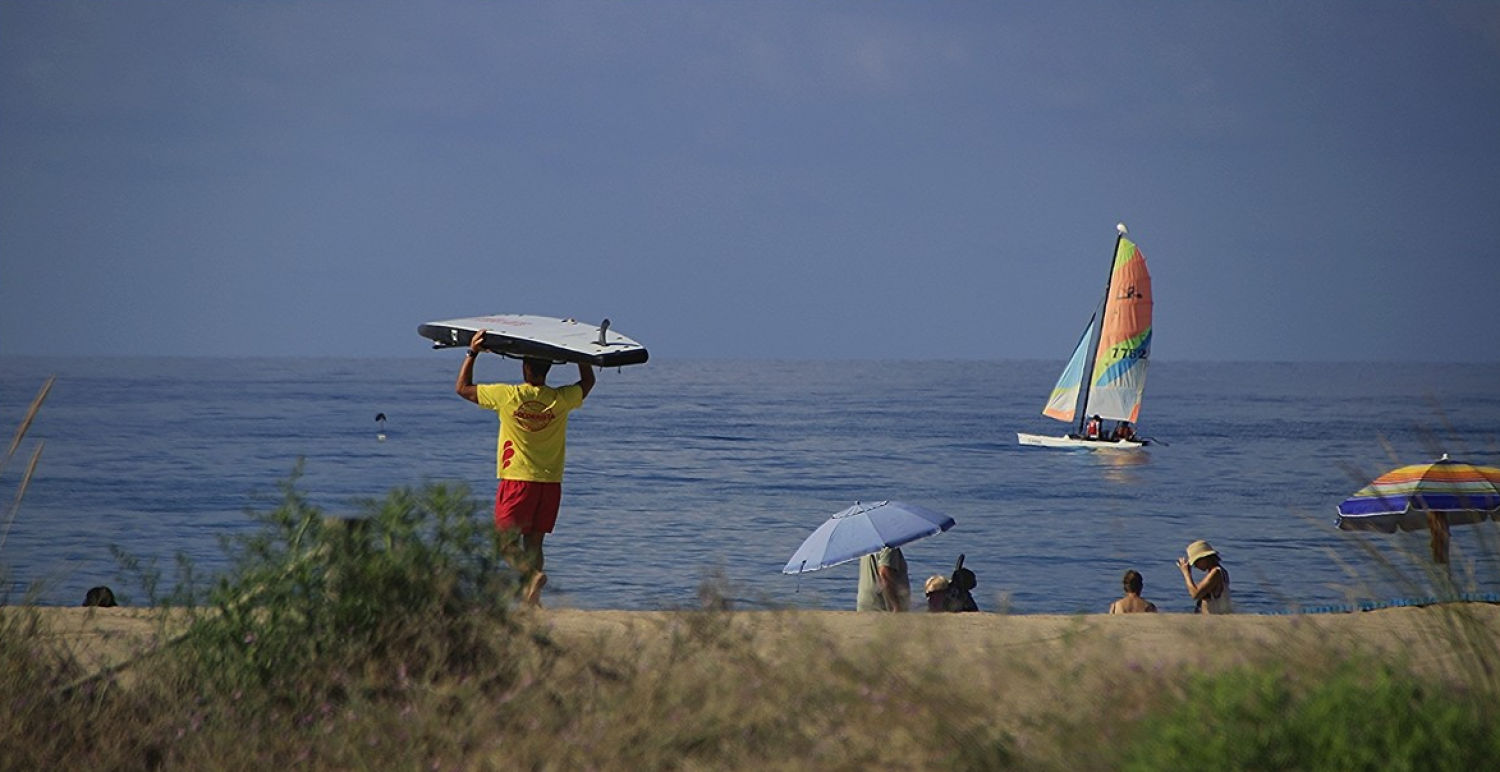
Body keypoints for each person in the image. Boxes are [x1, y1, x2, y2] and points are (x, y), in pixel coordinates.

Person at [456, 330, 595, 607]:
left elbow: (462, 388)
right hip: (550, 482)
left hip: (517, 480)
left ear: (525, 367)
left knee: (505, 545)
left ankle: (532, 576)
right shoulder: (560, 399)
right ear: (547, 370)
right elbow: (588, 382)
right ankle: (532, 601)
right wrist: (581, 355)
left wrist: (472, 353)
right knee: (534, 544)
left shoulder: (509, 396)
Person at [1177, 540, 1232, 614]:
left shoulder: (1216, 573)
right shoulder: (1221, 571)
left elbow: (1195, 594)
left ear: (1205, 558)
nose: (1195, 566)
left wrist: (1186, 573)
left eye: (1196, 562)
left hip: (1213, 619)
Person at [856, 546, 909, 612]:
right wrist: (895, 605)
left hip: (866, 602)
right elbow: (884, 574)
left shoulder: (870, 546)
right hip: (881, 605)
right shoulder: (889, 546)